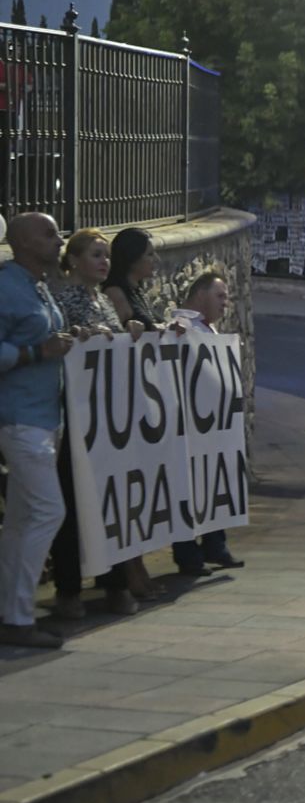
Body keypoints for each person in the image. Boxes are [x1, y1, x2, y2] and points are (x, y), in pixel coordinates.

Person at [48, 229, 145, 617]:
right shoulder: (61, 298)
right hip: (75, 418)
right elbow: (61, 342)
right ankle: (69, 590)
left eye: (106, 255)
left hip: (106, 421)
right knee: (73, 503)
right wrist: (82, 337)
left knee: (110, 499)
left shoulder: (103, 300)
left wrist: (131, 331)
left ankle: (114, 585)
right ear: (72, 260)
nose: (104, 262)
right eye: (94, 255)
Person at [0, 213, 79, 649]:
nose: (59, 240)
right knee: (50, 511)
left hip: (44, 417)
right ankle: (18, 615)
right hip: (19, 418)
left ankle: (8, 611)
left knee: (19, 520)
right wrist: (37, 352)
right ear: (25, 242)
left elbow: (49, 337)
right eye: (49, 234)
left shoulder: (39, 285)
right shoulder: (6, 287)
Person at [168, 273, 246, 577]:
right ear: (200, 295)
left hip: (211, 424)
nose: (226, 304)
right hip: (190, 425)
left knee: (213, 483)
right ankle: (188, 554)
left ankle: (215, 544)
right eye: (220, 296)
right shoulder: (182, 326)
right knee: (187, 488)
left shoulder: (205, 328)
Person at [103, 226, 163, 330]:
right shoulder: (115, 294)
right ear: (132, 257)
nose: (157, 259)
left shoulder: (137, 290)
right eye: (150, 254)